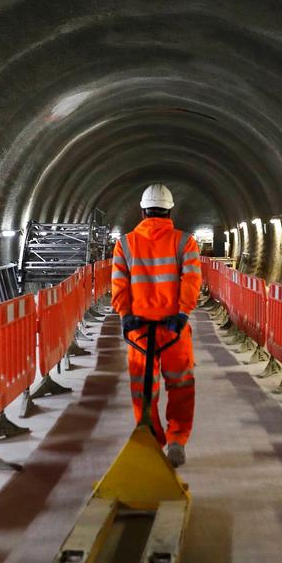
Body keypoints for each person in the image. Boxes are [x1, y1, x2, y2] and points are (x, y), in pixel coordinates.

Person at [111, 183, 202, 468]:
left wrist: (125, 315)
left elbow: (118, 284)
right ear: (169, 210)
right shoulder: (184, 242)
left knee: (143, 387)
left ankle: (150, 436)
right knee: (181, 385)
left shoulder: (125, 243)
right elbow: (192, 280)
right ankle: (177, 439)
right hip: (173, 329)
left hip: (139, 330)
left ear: (142, 211)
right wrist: (183, 313)